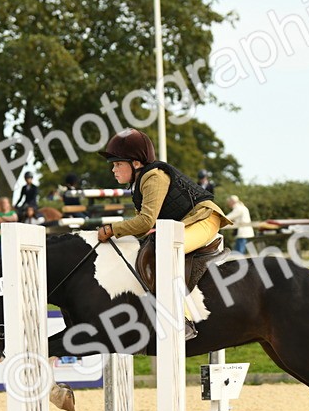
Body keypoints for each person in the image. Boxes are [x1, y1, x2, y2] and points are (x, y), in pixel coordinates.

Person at [95, 128, 230, 339]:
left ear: (136, 163)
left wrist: (112, 229)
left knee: (166, 252)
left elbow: (145, 221)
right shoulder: (139, 183)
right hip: (187, 221)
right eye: (114, 165)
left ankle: (181, 319)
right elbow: (146, 226)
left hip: (204, 219)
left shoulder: (154, 177)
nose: (114, 169)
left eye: (118, 164)